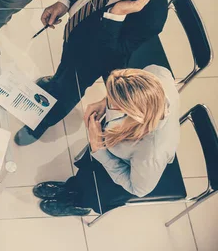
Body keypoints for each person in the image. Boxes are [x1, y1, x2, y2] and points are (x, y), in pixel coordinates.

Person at [14, 0, 168, 146]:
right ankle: (54, 82)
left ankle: (41, 123)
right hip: (77, 28)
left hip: (93, 53)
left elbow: (110, 54)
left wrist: (117, 14)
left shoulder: (152, 18)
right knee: (63, 70)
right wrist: (65, 1)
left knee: (68, 90)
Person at [34, 65, 180, 216]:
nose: (110, 103)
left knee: (93, 190)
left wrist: (99, 149)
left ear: (133, 114)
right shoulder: (156, 73)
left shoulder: (151, 153)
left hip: (125, 171)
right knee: (85, 173)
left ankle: (78, 204)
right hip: (114, 142)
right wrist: (104, 103)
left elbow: (138, 189)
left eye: (114, 103)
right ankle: (72, 187)